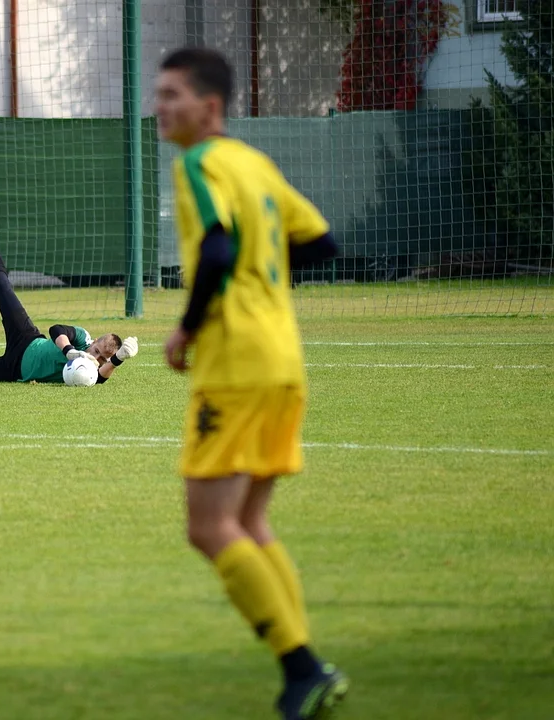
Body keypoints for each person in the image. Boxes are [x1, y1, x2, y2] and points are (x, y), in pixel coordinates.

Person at [155, 48, 348, 719]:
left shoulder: (199, 164)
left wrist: (185, 327)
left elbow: (215, 248)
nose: (161, 105)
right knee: (249, 521)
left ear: (210, 108)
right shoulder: (256, 165)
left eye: (173, 94)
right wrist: (260, 267)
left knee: (210, 528)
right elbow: (320, 242)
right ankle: (309, 664)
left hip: (235, 363)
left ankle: (303, 667)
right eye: (159, 93)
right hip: (283, 361)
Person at [0, 193, 139, 385]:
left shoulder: (92, 371)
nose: (96, 358)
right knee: (1, 284)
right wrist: (69, 351)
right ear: (94, 343)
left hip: (14, 370)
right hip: (26, 338)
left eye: (102, 358)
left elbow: (101, 378)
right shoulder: (83, 338)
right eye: (97, 351)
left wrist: (118, 359)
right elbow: (57, 329)